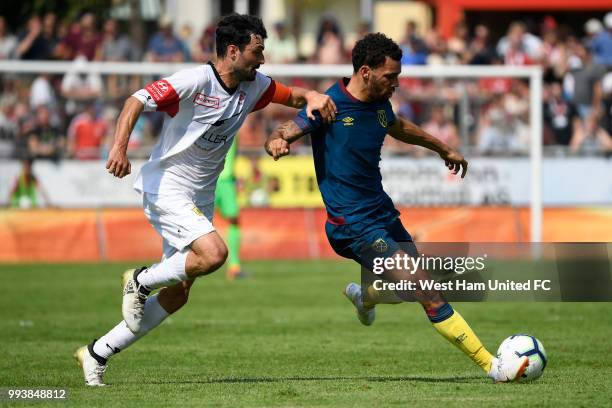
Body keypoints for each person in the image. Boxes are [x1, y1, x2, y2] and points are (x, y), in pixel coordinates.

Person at [74, 14, 337, 386]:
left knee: (180, 292)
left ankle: (98, 352)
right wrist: (119, 147)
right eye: (257, 51)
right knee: (214, 254)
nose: (262, 60)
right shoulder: (194, 80)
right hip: (166, 187)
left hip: (200, 195)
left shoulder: (254, 85)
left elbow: (290, 94)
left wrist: (311, 95)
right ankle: (140, 279)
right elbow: (136, 100)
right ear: (232, 51)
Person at [265, 33, 529, 383]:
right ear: (365, 71)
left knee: (407, 288)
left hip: (383, 215)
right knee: (427, 290)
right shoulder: (328, 104)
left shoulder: (379, 104)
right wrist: (278, 140)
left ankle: (365, 297)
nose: (396, 83)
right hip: (351, 224)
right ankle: (493, 367)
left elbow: (399, 127)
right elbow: (289, 127)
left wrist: (442, 148)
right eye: (390, 76)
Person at [214, 136, 245, 279]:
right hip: (222, 180)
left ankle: (234, 267)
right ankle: (234, 266)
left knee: (200, 221)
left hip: (216, 178)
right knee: (233, 221)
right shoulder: (231, 119)